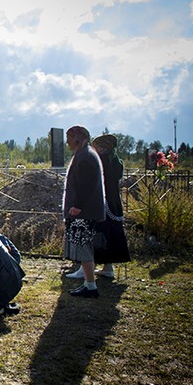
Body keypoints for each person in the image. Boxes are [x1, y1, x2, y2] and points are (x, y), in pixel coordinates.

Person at [66, 134, 130, 279]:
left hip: (100, 202)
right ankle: (108, 267)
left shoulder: (98, 159)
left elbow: (89, 182)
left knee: (93, 235)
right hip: (113, 203)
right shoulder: (116, 161)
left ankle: (85, 269)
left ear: (102, 147)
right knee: (110, 235)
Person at [62, 126, 106, 298]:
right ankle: (89, 283)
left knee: (83, 246)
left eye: (69, 138)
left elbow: (86, 185)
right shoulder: (85, 154)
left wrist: (77, 205)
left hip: (83, 211)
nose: (67, 142)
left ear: (78, 138)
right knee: (83, 246)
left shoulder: (86, 156)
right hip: (83, 210)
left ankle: (90, 286)